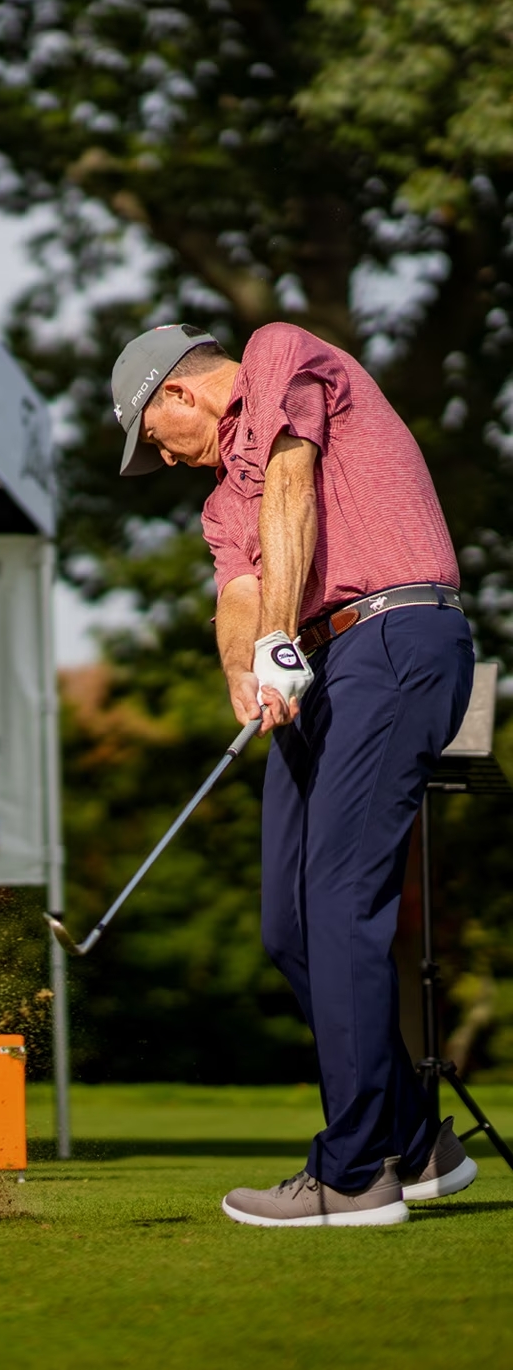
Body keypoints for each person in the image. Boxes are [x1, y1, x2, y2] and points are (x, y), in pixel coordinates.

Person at [111, 320, 476, 1227]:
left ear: (180, 393)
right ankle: (416, 1141)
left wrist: (279, 632)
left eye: (160, 438)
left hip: (391, 635)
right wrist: (248, 667)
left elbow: (292, 478)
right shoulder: (216, 503)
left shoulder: (276, 352)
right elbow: (236, 592)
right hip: (318, 670)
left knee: (343, 902)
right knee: (291, 925)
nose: (171, 456)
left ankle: (354, 1176)